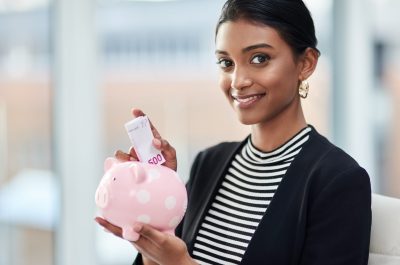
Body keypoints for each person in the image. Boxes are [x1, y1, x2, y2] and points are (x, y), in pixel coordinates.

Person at [95, 0, 372, 264]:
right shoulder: (209, 163)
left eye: (260, 58)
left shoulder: (339, 182)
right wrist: (155, 213)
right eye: (226, 63)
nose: (238, 82)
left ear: (306, 63)